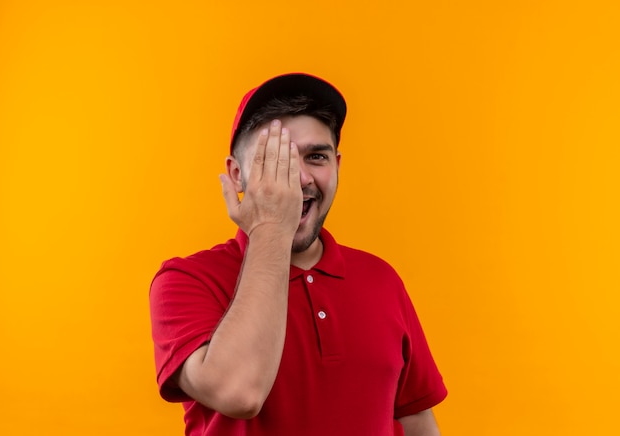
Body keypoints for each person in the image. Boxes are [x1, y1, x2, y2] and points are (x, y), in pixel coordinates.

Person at [149, 73, 447, 436]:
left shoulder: (381, 278)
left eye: (316, 157)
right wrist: (271, 227)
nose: (297, 179)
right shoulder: (186, 281)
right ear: (237, 175)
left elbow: (416, 418)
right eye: (274, 161)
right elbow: (239, 393)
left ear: (337, 166)